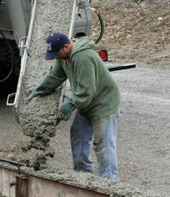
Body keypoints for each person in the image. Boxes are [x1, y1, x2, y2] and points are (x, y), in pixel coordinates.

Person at [28, 31, 121, 181]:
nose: (55, 56)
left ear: (66, 46)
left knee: (103, 144)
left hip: (104, 103)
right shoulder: (63, 57)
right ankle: (83, 175)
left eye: (56, 53)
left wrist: (71, 103)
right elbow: (55, 76)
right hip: (87, 103)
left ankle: (111, 182)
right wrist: (41, 89)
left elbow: (86, 91)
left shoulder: (82, 57)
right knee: (78, 136)